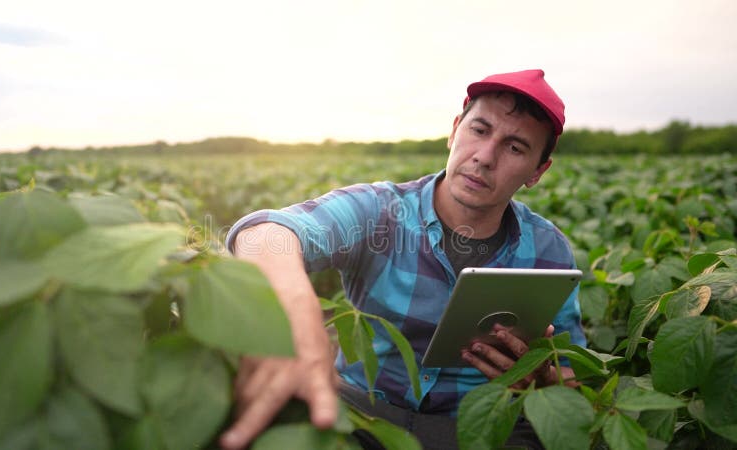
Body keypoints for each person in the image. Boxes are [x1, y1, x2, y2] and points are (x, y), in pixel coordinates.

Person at [220, 69, 585, 450]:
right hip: (364, 411)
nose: (485, 157)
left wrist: (540, 375)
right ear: (455, 129)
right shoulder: (379, 211)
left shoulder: (548, 250)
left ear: (538, 171)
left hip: (477, 425)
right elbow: (266, 232)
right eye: (479, 130)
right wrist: (297, 312)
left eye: (515, 147)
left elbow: (571, 378)